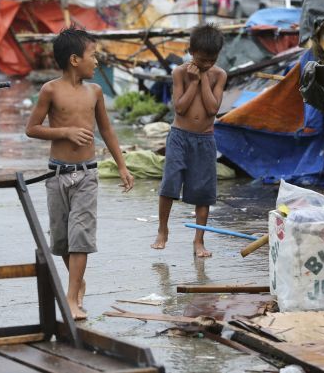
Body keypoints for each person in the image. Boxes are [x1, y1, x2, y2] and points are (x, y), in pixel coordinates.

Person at [25, 27, 134, 320]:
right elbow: (31, 128)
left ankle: (72, 297)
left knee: (81, 237)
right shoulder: (50, 90)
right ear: (74, 59)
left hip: (87, 175)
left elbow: (107, 130)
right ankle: (78, 282)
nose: (96, 62)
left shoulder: (95, 92)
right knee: (61, 240)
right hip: (56, 175)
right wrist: (65, 132)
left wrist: (122, 165)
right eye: (93, 56)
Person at [151, 23, 226, 257]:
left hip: (205, 139)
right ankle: (163, 230)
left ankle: (199, 241)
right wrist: (193, 81)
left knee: (204, 191)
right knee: (170, 183)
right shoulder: (179, 73)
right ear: (191, 51)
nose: (206, 65)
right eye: (202, 60)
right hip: (179, 137)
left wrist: (203, 77)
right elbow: (180, 108)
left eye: (211, 60)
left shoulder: (219, 75)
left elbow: (213, 108)